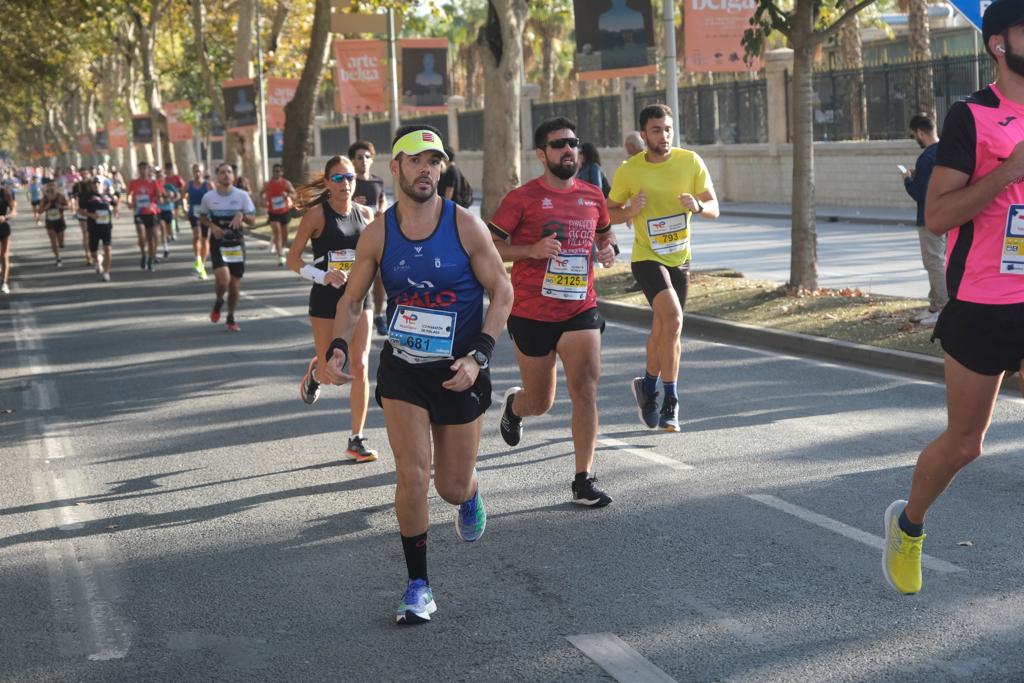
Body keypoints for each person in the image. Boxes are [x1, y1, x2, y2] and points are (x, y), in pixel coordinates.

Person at [319, 125, 513, 624]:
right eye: (415, 160)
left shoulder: (466, 225)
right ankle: (418, 585)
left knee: (449, 486)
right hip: (404, 367)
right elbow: (351, 300)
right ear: (396, 168)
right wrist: (338, 345)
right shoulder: (378, 233)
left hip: (460, 369)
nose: (425, 168)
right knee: (411, 474)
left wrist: (480, 356)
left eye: (434, 161)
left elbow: (503, 293)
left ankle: (469, 493)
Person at [882, 0, 1024, 596]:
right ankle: (908, 525)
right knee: (967, 442)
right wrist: (1009, 171)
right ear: (999, 43)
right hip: (983, 301)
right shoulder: (973, 117)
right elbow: (937, 216)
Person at [489, 117, 617, 507]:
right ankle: (515, 405)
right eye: (559, 144)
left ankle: (584, 479)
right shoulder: (521, 198)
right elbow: (490, 247)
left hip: (580, 308)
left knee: (586, 390)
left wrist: (610, 250)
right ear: (542, 154)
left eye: (573, 143)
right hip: (531, 312)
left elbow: (604, 235)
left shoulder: (593, 195)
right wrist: (530, 250)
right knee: (541, 401)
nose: (568, 150)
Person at [608, 104, 720, 432]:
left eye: (668, 129)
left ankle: (647, 386)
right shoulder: (631, 169)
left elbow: (714, 206)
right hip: (647, 257)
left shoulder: (690, 162)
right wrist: (629, 210)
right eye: (656, 130)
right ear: (644, 135)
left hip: (680, 259)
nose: (664, 135)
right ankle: (671, 399)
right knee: (672, 318)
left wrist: (698, 206)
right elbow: (607, 212)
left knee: (665, 329)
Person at [286, 156, 379, 463]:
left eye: (349, 177)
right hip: (326, 300)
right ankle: (316, 372)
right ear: (327, 183)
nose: (345, 184)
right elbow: (293, 259)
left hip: (358, 298)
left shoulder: (365, 214)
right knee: (330, 373)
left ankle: (357, 438)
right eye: (338, 178)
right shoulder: (316, 215)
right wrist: (321, 275)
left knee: (360, 365)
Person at [902, 113, 947, 327]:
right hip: (946, 214)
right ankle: (936, 305)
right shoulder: (946, 151)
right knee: (936, 260)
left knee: (933, 262)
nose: (915, 139)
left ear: (920, 132)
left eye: (914, 136)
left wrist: (908, 180)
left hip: (929, 217)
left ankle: (944, 308)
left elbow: (920, 193)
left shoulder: (926, 157)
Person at [201, 163, 256, 332]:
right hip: (219, 243)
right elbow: (202, 217)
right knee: (223, 280)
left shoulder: (242, 196)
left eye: (229, 172)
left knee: (235, 286)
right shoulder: (209, 197)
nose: (226, 175)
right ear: (217, 176)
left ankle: (231, 317)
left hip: (236, 244)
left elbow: (253, 220)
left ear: (233, 175)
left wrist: (242, 215)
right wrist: (212, 225)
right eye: (222, 172)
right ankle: (219, 300)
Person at [348, 140, 390, 336]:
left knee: (380, 277)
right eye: (359, 157)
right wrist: (351, 203)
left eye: (367, 157)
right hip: (354, 239)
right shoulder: (348, 182)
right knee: (357, 280)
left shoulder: (377, 181)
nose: (364, 160)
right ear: (352, 160)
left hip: (377, 237)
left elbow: (382, 199)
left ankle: (379, 315)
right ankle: (353, 316)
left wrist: (382, 207)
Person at [128, 161, 165, 271]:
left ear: (148, 170)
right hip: (139, 212)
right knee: (141, 236)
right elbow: (128, 194)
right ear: (138, 170)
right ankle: (143, 254)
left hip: (151, 213)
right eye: (141, 169)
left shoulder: (153, 183)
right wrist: (130, 202)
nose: (143, 171)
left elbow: (159, 197)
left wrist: (156, 202)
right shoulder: (134, 183)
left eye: (145, 169)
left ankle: (150, 259)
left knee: (152, 238)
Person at [262, 163, 296, 266]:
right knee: (277, 233)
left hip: (284, 211)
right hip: (273, 212)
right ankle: (280, 255)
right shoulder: (268, 184)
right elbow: (261, 194)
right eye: (275, 171)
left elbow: (294, 194)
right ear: (273, 172)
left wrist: (287, 194)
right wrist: (263, 200)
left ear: (282, 172)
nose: (277, 173)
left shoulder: (286, 183)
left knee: (285, 234)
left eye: (279, 171)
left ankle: (282, 248)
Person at [82, 177, 115, 281]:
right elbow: (79, 210)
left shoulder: (107, 195)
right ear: (91, 185)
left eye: (98, 183)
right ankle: (98, 259)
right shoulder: (87, 196)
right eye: (94, 183)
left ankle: (106, 272)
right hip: (93, 227)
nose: (96, 185)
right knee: (93, 252)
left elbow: (115, 203)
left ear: (102, 184)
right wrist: (90, 215)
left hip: (106, 226)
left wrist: (114, 210)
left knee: (108, 248)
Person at [186, 164, 214, 279]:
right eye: (195, 171)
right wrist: (184, 208)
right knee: (196, 235)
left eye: (199, 171)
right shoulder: (189, 184)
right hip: (194, 214)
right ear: (192, 172)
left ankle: (202, 265)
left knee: (205, 239)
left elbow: (215, 198)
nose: (197, 173)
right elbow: (182, 196)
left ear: (202, 172)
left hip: (206, 215)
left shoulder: (208, 185)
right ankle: (197, 258)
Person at [39, 183, 68, 267]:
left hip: (60, 221)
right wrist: (45, 207)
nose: (51, 192)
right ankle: (58, 258)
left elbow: (67, 206)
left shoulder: (60, 197)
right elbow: (39, 211)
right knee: (53, 240)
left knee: (61, 243)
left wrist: (61, 206)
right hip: (50, 222)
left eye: (52, 190)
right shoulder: (44, 199)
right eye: (49, 190)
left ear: (56, 189)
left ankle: (61, 244)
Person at [72, 168, 95, 265]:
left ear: (89, 174)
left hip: (93, 211)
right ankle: (88, 255)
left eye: (85, 173)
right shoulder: (77, 185)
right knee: (85, 234)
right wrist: (74, 208)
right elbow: (74, 198)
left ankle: (94, 252)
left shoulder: (93, 183)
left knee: (93, 234)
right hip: (82, 211)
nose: (84, 175)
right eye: (82, 174)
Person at [0, 182, 15, 294]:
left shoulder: (4, 193)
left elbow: (14, 211)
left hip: (3, 227)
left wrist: (5, 217)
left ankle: (4, 283)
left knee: (4, 255)